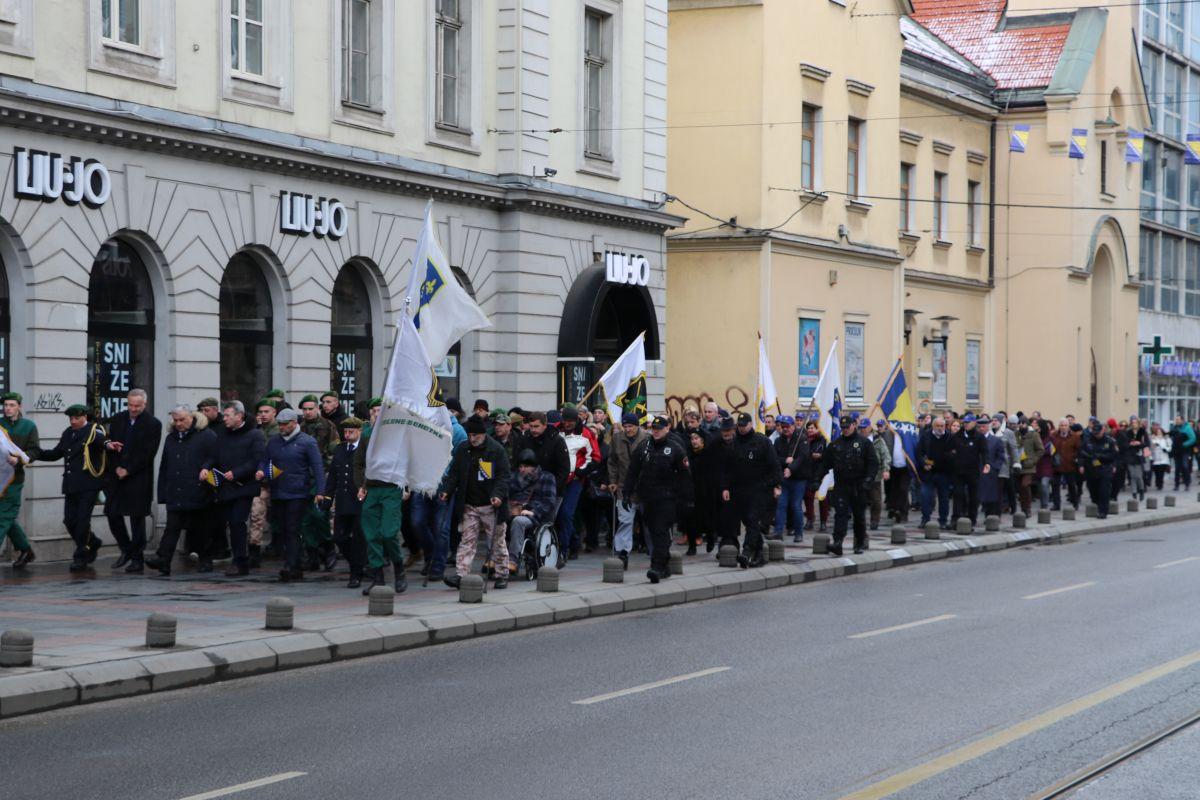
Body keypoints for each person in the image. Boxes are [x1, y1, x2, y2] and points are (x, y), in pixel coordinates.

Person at [440, 415, 512, 590]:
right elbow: (454, 474)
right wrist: (447, 490)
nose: (472, 439)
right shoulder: (463, 449)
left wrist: (498, 495)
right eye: (470, 435)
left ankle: (502, 573)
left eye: (476, 436)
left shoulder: (495, 450)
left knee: (496, 542)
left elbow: (503, 477)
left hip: (490, 505)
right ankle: (461, 574)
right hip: (469, 504)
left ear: (483, 434)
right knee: (467, 540)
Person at [145, 405, 217, 577]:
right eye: (175, 420)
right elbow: (165, 466)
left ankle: (206, 559)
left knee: (200, 529)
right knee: (172, 528)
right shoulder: (171, 438)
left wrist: (206, 468)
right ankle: (164, 560)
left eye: (182, 420)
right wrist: (163, 492)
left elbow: (215, 457)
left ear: (191, 418)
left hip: (199, 490)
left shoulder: (206, 435)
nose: (178, 424)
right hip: (176, 491)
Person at [35, 405, 109, 572]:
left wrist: (109, 445)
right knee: (69, 521)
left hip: (89, 485)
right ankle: (93, 542)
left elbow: (102, 441)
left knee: (82, 522)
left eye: (76, 418)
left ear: (85, 417)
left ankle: (80, 556)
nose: (73, 421)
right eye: (71, 418)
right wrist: (34, 453)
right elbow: (56, 454)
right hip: (71, 485)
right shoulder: (68, 433)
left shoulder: (92, 431)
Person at [257, 408, 325, 582]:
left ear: (294, 423)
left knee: (293, 528)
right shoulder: (273, 441)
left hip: (298, 492)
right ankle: (294, 559)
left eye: (285, 424)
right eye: (279, 424)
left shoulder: (307, 442)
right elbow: (265, 460)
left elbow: (317, 467)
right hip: (278, 491)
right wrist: (261, 471)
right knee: (282, 528)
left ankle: (292, 565)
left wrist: (320, 491)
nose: (281, 427)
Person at [624, 415, 692, 583]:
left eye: (659, 429)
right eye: (653, 429)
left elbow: (685, 476)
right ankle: (665, 565)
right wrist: (626, 493)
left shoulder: (675, 448)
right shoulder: (644, 447)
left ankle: (657, 567)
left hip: (668, 498)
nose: (655, 432)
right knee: (654, 531)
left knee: (660, 530)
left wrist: (687, 499)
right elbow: (633, 471)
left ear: (667, 428)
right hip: (647, 497)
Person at [103, 388, 163, 573]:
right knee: (112, 512)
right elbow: (112, 443)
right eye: (130, 405)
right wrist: (117, 466)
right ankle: (126, 548)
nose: (133, 409)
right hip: (116, 473)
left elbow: (148, 453)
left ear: (144, 404)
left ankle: (137, 557)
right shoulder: (118, 418)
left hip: (138, 476)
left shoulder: (153, 424)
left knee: (137, 518)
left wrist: (128, 469)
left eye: (137, 406)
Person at [353, 412, 408, 594]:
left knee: (389, 532)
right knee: (371, 534)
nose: (377, 414)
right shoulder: (367, 435)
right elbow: (359, 463)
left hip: (392, 488)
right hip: (372, 489)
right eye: (374, 412)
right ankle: (378, 577)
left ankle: (399, 568)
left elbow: (406, 461)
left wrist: (406, 485)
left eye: (380, 410)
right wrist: (361, 485)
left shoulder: (397, 435)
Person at [210, 401, 265, 577]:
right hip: (225, 486)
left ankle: (240, 561)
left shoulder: (255, 434)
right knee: (230, 524)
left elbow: (256, 460)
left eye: (227, 415)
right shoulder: (222, 434)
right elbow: (214, 456)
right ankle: (238, 558)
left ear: (239, 416)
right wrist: (206, 467)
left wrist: (237, 472)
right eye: (224, 415)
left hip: (245, 486)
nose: (224, 418)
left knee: (237, 522)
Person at [728, 412, 781, 568]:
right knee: (748, 521)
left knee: (752, 519)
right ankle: (759, 554)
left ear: (751, 424)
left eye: (745, 425)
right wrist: (727, 486)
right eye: (740, 425)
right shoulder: (734, 442)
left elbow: (774, 466)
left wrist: (773, 485)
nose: (742, 428)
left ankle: (746, 551)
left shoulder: (762, 442)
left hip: (759, 489)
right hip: (740, 489)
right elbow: (729, 467)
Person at [825, 414, 879, 554]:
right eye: (842, 428)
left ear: (854, 425)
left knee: (859, 516)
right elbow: (825, 464)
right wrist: (817, 479)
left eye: (847, 427)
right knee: (840, 514)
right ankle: (838, 543)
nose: (845, 430)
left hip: (859, 486)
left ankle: (859, 543)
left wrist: (868, 480)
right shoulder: (836, 444)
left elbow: (873, 463)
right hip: (842, 485)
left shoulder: (864, 443)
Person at [324, 417, 367, 588]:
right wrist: (328, 497)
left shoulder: (365, 449)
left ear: (359, 432)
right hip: (343, 501)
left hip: (360, 500)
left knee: (358, 538)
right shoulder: (340, 449)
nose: (347, 435)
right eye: (345, 432)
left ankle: (356, 573)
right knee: (339, 537)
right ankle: (358, 563)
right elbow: (334, 475)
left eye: (351, 432)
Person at [0, 392, 38, 569]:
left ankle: (25, 550)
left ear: (19, 406)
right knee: (7, 518)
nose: (8, 408)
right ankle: (25, 549)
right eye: (6, 405)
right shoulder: (0, 425)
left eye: (11, 405)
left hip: (14, 479)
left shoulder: (28, 426)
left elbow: (34, 451)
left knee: (3, 517)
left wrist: (20, 458)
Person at [555, 407, 599, 560]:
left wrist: (581, 472)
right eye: (565, 421)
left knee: (567, 513)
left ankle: (564, 548)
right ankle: (573, 541)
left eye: (570, 422)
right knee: (558, 514)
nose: (567, 424)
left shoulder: (586, 434)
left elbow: (595, 457)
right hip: (557, 479)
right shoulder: (555, 430)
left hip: (574, 481)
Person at [506, 449, 557, 575]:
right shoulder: (513, 478)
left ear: (534, 467)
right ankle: (494, 558)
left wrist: (533, 512)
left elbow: (549, 502)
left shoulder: (546, 477)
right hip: (514, 510)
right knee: (495, 519)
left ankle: (513, 560)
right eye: (521, 466)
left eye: (526, 466)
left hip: (535, 514)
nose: (522, 469)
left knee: (518, 521)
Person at [607, 412, 648, 568]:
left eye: (630, 426)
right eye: (625, 426)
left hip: (645, 487)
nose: (628, 429)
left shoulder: (647, 438)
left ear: (637, 426)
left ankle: (656, 552)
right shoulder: (617, 439)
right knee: (625, 521)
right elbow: (612, 461)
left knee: (650, 522)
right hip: (624, 487)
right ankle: (622, 553)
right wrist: (612, 481)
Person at [771, 415, 809, 543]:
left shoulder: (802, 439)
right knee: (781, 505)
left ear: (793, 426)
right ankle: (778, 532)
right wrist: (785, 461)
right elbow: (775, 458)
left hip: (799, 479)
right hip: (784, 479)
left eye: (787, 426)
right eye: (783, 427)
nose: (785, 429)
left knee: (796, 506)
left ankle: (798, 533)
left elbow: (802, 458)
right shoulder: (778, 441)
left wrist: (791, 468)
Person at [684, 428, 721, 554]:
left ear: (702, 440)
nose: (694, 441)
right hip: (691, 491)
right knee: (690, 520)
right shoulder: (688, 454)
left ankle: (710, 537)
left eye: (696, 439)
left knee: (708, 518)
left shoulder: (708, 454)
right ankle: (692, 545)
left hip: (706, 492)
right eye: (692, 439)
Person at [916, 416, 954, 529]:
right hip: (929, 473)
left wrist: (946, 458)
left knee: (944, 498)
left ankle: (943, 520)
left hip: (944, 473)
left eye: (942, 426)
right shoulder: (926, 436)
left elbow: (953, 453)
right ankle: (925, 519)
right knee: (925, 496)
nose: (940, 428)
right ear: (933, 426)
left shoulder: (949, 437)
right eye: (938, 426)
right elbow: (919, 453)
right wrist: (924, 463)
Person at [1077, 419, 1118, 518]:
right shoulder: (1087, 441)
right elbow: (1081, 454)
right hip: (1091, 469)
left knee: (1104, 491)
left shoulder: (1109, 441)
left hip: (1105, 468)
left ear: (1103, 431)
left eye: (1098, 433)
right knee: (1093, 491)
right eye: (1095, 433)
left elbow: (1114, 455)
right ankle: (1097, 503)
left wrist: (1111, 464)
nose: (1096, 435)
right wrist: (1081, 465)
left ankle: (1103, 512)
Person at [951, 415, 984, 529]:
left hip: (973, 471)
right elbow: (949, 450)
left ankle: (972, 519)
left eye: (968, 422)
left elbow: (985, 452)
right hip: (958, 471)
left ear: (974, 423)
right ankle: (955, 519)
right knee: (958, 495)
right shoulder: (956, 436)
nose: (965, 424)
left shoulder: (979, 437)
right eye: (964, 422)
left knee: (973, 496)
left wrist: (987, 464)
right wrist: (953, 458)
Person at [802, 419, 830, 531]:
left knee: (823, 499)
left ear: (818, 428)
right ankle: (810, 519)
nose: (810, 430)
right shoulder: (803, 440)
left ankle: (823, 522)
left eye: (812, 428)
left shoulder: (824, 440)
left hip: (821, 472)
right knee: (808, 498)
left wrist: (821, 456)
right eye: (808, 428)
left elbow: (828, 456)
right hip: (808, 472)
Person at [1050, 418, 1082, 510]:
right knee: (1055, 485)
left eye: (1065, 425)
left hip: (1069, 464)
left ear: (1068, 427)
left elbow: (1079, 450)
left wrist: (1074, 458)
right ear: (1059, 426)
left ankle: (1075, 503)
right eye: (1061, 425)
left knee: (1071, 485)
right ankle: (1056, 504)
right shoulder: (1054, 435)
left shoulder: (1075, 437)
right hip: (1057, 464)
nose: (1063, 427)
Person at [864, 417, 889, 531]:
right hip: (861, 475)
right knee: (860, 500)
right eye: (860, 428)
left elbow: (885, 456)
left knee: (876, 500)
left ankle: (874, 521)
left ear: (869, 427)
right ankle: (860, 520)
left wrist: (886, 469)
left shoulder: (878, 440)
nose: (862, 430)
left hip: (875, 475)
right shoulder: (858, 439)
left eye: (864, 428)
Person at [1015, 417, 1044, 515]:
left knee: (1025, 485)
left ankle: (1027, 508)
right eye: (1020, 424)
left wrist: (1033, 460)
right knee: (1020, 488)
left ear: (1027, 425)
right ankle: (1023, 508)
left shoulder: (1034, 435)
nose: (1021, 426)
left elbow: (1040, 450)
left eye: (1023, 424)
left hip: (1029, 466)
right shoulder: (1016, 434)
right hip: (1018, 464)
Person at [980, 420, 1007, 518]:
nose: (981, 429)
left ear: (988, 427)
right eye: (979, 427)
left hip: (990, 472)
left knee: (991, 496)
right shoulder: (975, 440)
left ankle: (992, 516)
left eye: (983, 426)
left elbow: (1000, 456)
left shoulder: (995, 440)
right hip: (976, 471)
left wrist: (995, 467)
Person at [1124, 416, 1148, 502]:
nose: (1134, 424)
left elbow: (1146, 443)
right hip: (1130, 455)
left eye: (1135, 422)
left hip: (1139, 455)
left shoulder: (1142, 432)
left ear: (1138, 424)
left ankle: (1141, 490)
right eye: (1132, 423)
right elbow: (1124, 444)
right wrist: (1130, 444)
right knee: (1132, 475)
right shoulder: (1128, 432)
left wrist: (1139, 443)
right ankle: (1134, 492)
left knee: (1138, 475)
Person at [1169, 414, 1193, 491]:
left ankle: (1187, 484)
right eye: (1176, 420)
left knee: (1185, 466)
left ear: (1182, 420)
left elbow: (1193, 439)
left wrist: (1184, 444)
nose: (1176, 421)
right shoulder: (1174, 428)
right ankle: (1176, 485)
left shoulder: (1187, 428)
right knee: (1177, 468)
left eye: (1178, 420)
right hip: (1176, 451)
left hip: (1185, 451)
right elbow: (1171, 437)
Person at [1150, 422, 1172, 491]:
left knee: (1161, 472)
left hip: (1163, 459)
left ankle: (1160, 484)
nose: (1159, 433)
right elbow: (1150, 448)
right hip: (1156, 458)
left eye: (1160, 432)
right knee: (1157, 472)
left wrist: (1166, 449)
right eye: (1158, 432)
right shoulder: (1153, 439)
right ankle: (1157, 482)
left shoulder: (1166, 439)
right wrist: (1154, 444)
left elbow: (1169, 447)